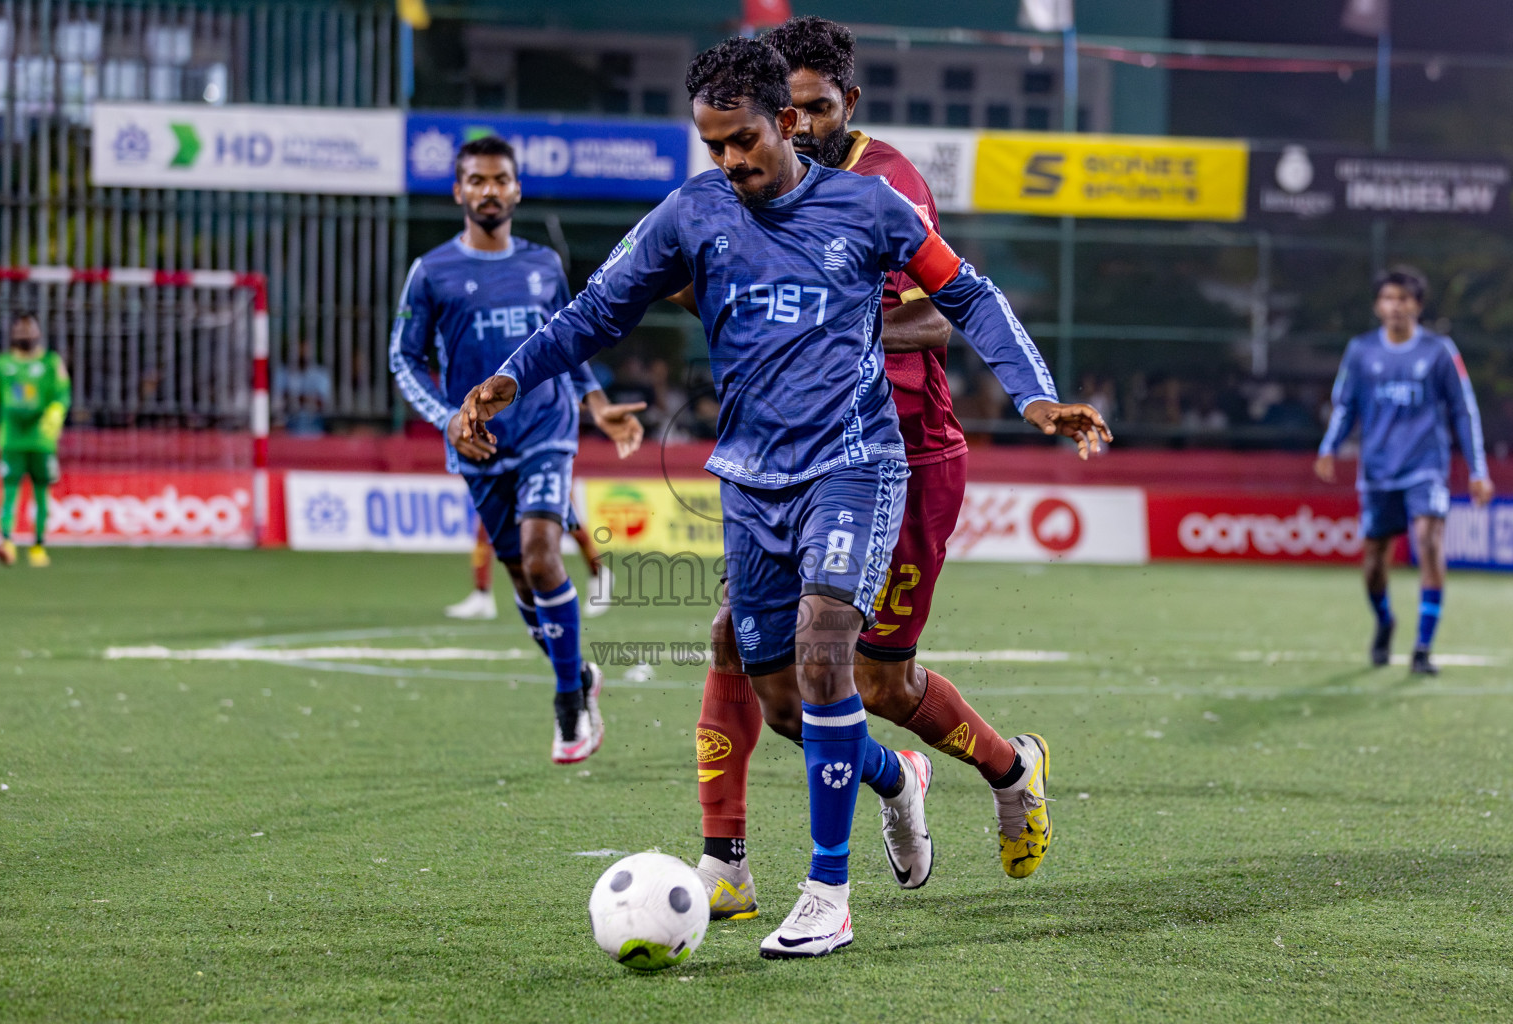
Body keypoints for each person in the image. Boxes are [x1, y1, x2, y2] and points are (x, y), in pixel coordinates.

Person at [457, 38, 1109, 958]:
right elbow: (596, 311)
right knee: (779, 697)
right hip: (751, 478)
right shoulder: (692, 212)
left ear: (789, 122)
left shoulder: (871, 202)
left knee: (826, 648)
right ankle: (899, 781)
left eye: (744, 140)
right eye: (713, 145)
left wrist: (1034, 391)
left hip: (857, 464)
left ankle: (825, 893)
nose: (730, 160)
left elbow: (967, 295)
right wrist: (505, 381)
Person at [669, 15, 1087, 924]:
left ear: (842, 104)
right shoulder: (753, 188)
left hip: (903, 453)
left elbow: (941, 315)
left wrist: (815, 318)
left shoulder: (885, 184)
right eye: (793, 112)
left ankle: (1010, 769)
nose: (804, 127)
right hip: (794, 466)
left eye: (817, 110)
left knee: (875, 683)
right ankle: (737, 856)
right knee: (745, 648)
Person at [391, 135, 645, 764]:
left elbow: (566, 343)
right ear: (459, 192)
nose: (489, 190)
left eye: (500, 179)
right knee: (522, 581)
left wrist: (594, 404)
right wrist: (447, 417)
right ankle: (581, 675)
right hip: (478, 447)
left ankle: (568, 707)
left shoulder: (542, 266)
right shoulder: (431, 273)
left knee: (540, 554)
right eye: (476, 180)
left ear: (516, 189)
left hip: (546, 429)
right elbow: (404, 358)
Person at [1316, 267, 1494, 675]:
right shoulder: (1360, 351)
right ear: (1378, 305)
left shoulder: (1439, 351)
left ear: (1418, 305)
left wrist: (1477, 469)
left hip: (1425, 467)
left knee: (1429, 542)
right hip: (1378, 470)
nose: (1395, 306)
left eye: (1403, 298)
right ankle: (1384, 622)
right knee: (1375, 561)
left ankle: (1422, 649)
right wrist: (1329, 446)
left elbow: (1464, 412)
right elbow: (1346, 407)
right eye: (1388, 298)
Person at [0, 312, 70, 568]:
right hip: (12, 441)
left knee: (42, 494)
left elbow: (63, 394)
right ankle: (7, 541)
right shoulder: (3, 364)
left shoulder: (51, 362)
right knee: (9, 492)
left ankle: (38, 545)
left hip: (42, 441)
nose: (25, 335)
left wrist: (55, 413)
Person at [445, 514, 614, 620]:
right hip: (512, 463)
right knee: (486, 523)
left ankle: (599, 573)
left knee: (566, 517)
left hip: (545, 461)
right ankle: (482, 593)